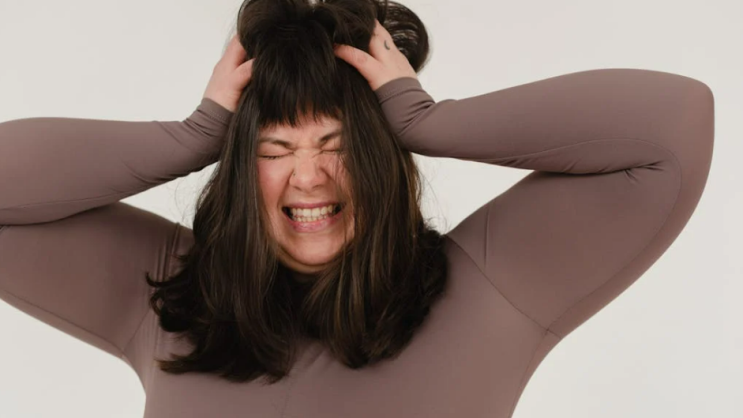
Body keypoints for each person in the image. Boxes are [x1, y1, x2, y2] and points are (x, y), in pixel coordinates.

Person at [0, 0, 714, 417]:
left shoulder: (490, 287)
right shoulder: (168, 297)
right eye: (276, 147)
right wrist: (193, 137)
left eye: (337, 144)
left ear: (380, 155)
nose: (309, 176)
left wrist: (428, 120)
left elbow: (672, 126)